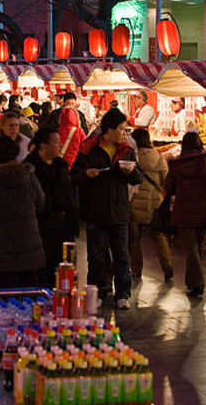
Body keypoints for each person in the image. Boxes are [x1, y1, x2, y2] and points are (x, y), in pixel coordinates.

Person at [72, 109, 143, 309]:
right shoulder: (88, 149)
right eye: (121, 128)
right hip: (96, 210)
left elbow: (139, 177)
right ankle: (98, 292)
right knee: (96, 256)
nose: (124, 132)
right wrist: (87, 174)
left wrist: (131, 172)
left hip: (119, 210)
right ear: (109, 130)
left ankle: (123, 293)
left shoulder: (126, 150)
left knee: (121, 254)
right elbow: (74, 176)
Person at [0, 135, 46, 288]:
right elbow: (40, 203)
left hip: (1, 245)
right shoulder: (28, 176)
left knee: (6, 298)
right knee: (29, 295)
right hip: (29, 241)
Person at [165, 131, 206, 296]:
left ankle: (197, 283)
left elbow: (169, 188)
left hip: (184, 210)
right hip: (204, 208)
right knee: (198, 246)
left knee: (190, 247)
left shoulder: (176, 164)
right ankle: (193, 282)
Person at [24, 128, 80, 288]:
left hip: (64, 226)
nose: (60, 145)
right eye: (56, 142)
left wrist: (74, 222)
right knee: (43, 271)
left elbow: (69, 197)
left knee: (66, 272)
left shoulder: (61, 166)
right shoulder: (30, 168)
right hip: (41, 227)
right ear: (43, 145)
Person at [129, 128, 173, 281]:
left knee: (133, 239)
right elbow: (165, 181)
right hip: (154, 203)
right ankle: (167, 267)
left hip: (134, 203)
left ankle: (136, 270)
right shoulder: (158, 156)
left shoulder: (132, 157)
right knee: (159, 235)